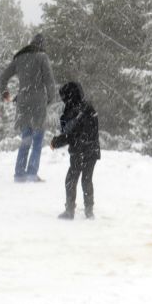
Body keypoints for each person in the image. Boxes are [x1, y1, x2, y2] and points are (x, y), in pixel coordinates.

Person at [0, 33, 56, 182]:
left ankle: (19, 173)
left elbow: (3, 76)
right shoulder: (42, 57)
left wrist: (4, 92)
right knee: (37, 140)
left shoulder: (19, 58)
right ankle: (31, 173)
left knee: (26, 138)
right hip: (38, 101)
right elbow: (49, 80)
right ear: (42, 45)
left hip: (23, 101)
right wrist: (50, 98)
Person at [49, 81, 100, 220]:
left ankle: (70, 210)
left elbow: (71, 135)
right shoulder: (89, 108)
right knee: (87, 179)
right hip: (92, 150)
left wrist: (56, 141)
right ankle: (89, 210)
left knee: (71, 179)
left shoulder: (74, 111)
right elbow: (91, 131)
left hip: (79, 150)